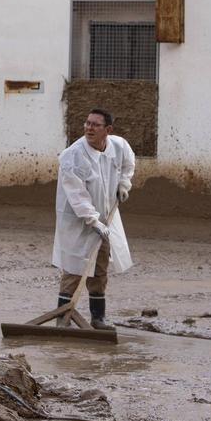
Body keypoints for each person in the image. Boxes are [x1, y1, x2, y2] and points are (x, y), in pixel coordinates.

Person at [52, 108, 136, 330]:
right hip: (77, 220)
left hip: (106, 218)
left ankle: (98, 319)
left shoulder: (119, 146)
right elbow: (76, 194)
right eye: (87, 123)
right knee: (74, 268)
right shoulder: (73, 155)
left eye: (95, 125)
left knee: (100, 269)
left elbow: (128, 164)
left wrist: (124, 184)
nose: (89, 128)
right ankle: (63, 319)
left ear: (108, 130)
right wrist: (92, 220)